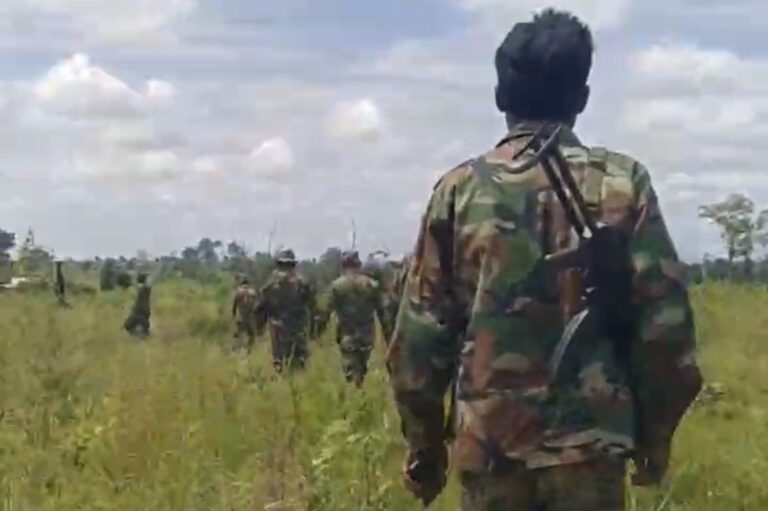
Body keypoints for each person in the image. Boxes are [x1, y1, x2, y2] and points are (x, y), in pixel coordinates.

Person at [386, 9, 703, 510]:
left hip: (490, 451)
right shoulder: (623, 183)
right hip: (590, 454)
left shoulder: (458, 192)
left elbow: (420, 342)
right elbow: (667, 331)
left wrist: (425, 448)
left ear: (500, 97)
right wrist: (655, 435)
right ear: (582, 98)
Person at [328, 250, 390, 387]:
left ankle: (354, 395)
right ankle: (358, 390)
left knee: (350, 370)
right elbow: (382, 313)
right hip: (367, 335)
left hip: (347, 334)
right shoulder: (371, 285)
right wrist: (388, 336)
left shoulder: (337, 285)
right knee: (361, 368)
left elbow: (327, 310)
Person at [255, 248, 315, 373]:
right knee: (299, 365)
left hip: (278, 331)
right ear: (293, 264)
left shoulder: (270, 284)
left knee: (280, 364)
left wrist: (259, 328)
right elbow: (313, 307)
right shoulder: (302, 282)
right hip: (298, 330)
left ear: (279, 263)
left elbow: (260, 308)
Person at [232, 277, 258, 352]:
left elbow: (234, 305)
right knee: (252, 335)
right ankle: (248, 350)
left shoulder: (238, 291)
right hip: (249, 317)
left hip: (240, 316)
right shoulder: (252, 292)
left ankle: (236, 350)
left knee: (238, 334)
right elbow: (255, 305)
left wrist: (234, 315)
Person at [124, 273, 151, 338]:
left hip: (139, 313)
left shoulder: (142, 290)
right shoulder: (145, 289)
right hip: (142, 313)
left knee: (130, 324)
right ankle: (140, 334)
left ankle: (139, 334)